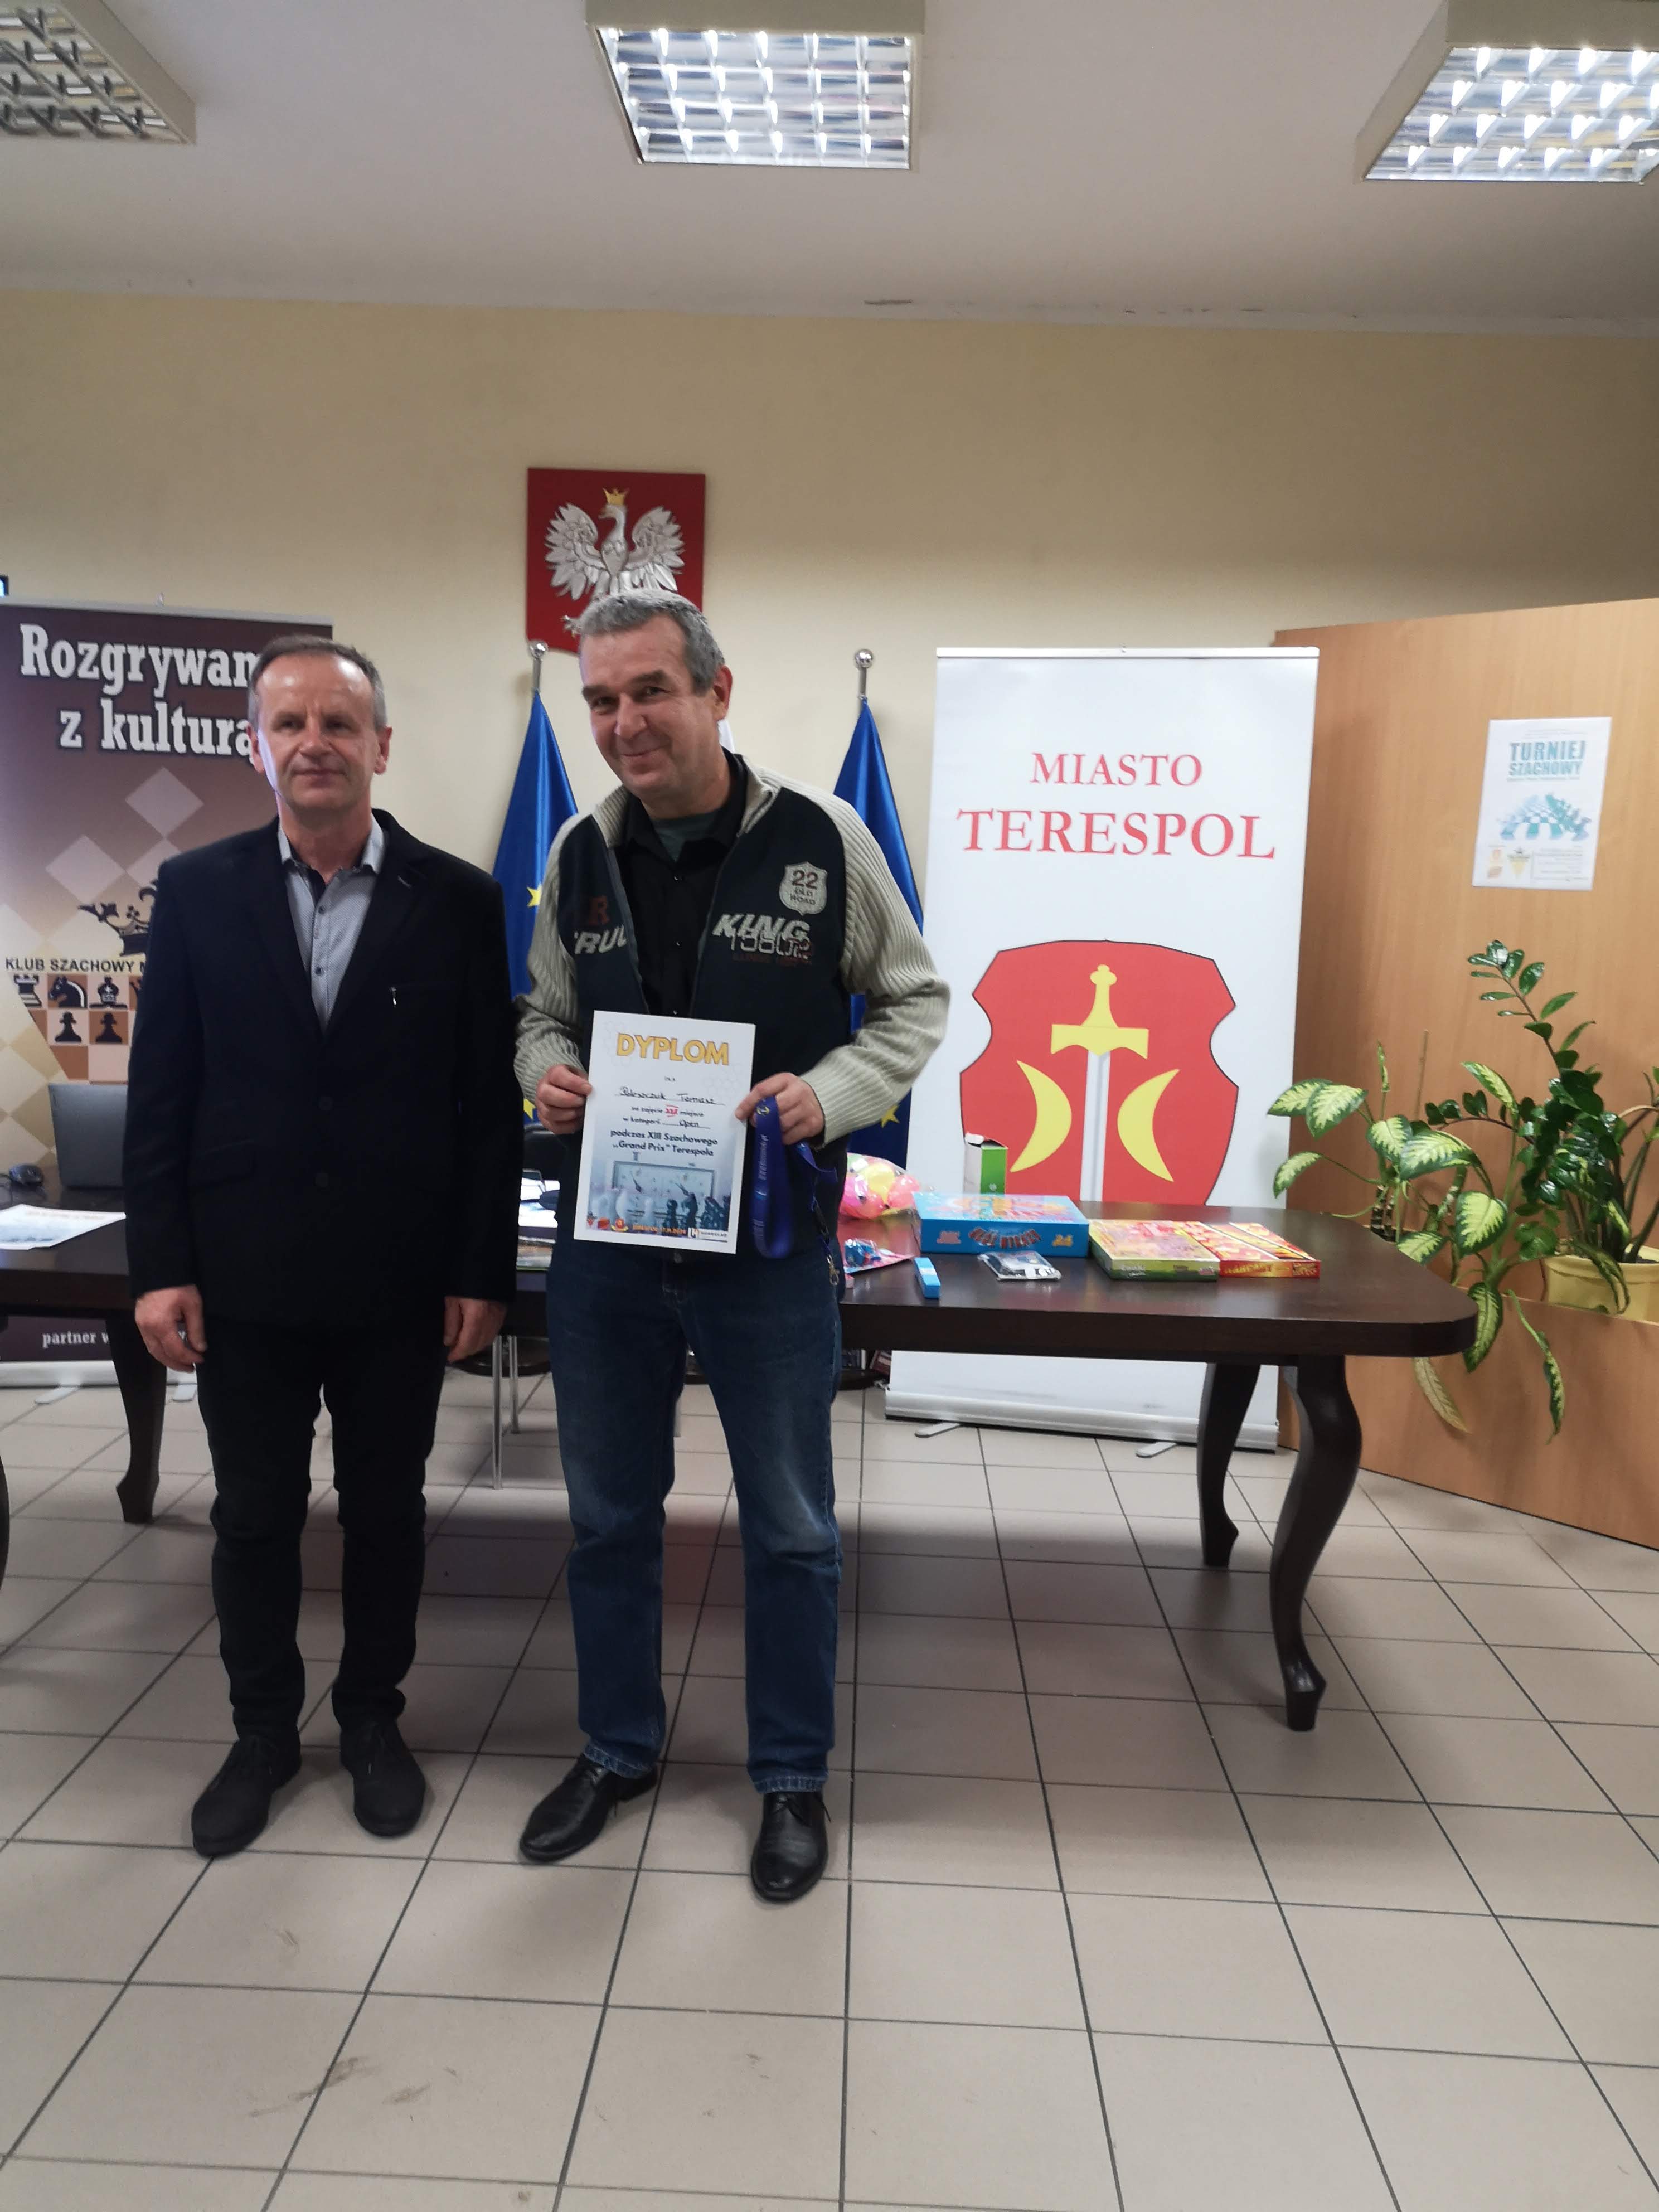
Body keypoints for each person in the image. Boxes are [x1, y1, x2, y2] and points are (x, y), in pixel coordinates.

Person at [515, 589, 948, 1903]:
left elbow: (917, 1001)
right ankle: (616, 1747)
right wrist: (547, 1076)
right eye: (601, 699)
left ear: (716, 690)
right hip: (609, 1246)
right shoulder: (580, 850)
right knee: (608, 1517)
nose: (624, 721)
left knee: (794, 1525)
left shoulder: (822, 838)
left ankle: (791, 1776)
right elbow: (540, 1015)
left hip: (766, 1247)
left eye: (650, 689)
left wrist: (832, 1092)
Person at [125, 634, 521, 1859]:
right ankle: (261, 1735)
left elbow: (485, 1107)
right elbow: (163, 1091)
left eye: (339, 724)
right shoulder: (195, 891)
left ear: (380, 746)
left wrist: (481, 1269)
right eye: (289, 723)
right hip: (241, 1278)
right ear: (256, 747)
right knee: (253, 1517)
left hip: (400, 1281)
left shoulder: (459, 900)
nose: (314, 744)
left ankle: (370, 1721)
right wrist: (160, 1264)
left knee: (387, 1515)